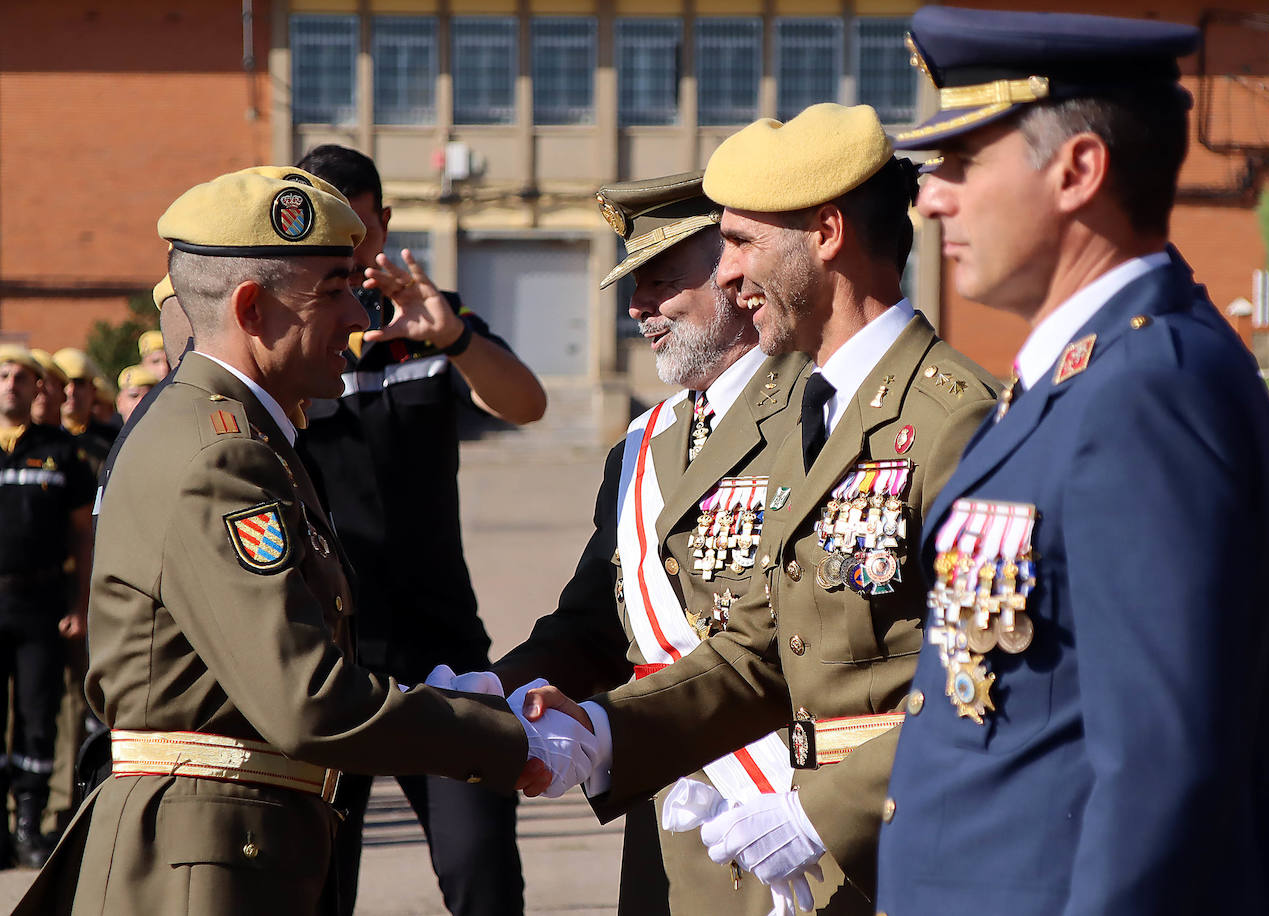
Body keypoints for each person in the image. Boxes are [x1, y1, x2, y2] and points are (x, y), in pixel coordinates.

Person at [874, 9, 1269, 914]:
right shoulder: (1080, 370)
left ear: (1079, 170)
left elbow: (1160, 774)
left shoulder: (1148, 390)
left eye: (962, 162)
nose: (931, 196)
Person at [13, 169, 592, 916]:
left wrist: (466, 694)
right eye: (333, 291)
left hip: (237, 842)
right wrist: (509, 739)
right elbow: (308, 701)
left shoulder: (245, 435)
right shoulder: (221, 455)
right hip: (205, 864)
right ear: (252, 309)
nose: (357, 313)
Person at [527, 103, 998, 911]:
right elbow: (759, 644)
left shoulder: (958, 418)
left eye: (742, 242)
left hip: (899, 848)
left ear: (826, 233)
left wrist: (820, 812)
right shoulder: (823, 410)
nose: (730, 274)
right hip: (796, 835)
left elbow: (994, 684)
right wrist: (605, 732)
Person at [485, 170, 812, 915]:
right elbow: (596, 624)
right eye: (633, 284)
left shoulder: (815, 410)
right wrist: (486, 696)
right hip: (669, 810)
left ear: (736, 274)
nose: (637, 308)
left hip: (785, 809)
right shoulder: (644, 441)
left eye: (661, 280)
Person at [293, 143, 547, 916]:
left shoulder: (437, 325)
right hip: (331, 663)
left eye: (358, 229)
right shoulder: (289, 337)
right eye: (325, 233)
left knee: (482, 872)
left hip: (443, 651)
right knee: (320, 885)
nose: (346, 249)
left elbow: (527, 404)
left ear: (384, 223)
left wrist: (453, 340)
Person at [0, 346, 95, 869]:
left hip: (40, 602)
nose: (12, 383)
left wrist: (80, 604)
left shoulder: (60, 451)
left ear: (38, 387)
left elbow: (84, 536)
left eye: (22, 376)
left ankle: (28, 826)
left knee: (38, 717)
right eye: (4, 374)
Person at [51, 348, 118, 468]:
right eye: (65, 383)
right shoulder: (37, 440)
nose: (71, 391)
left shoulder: (113, 440)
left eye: (79, 383)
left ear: (93, 390)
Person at [28, 350, 68, 428]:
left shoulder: (79, 440)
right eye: (34, 382)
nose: (40, 390)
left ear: (63, 394)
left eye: (47, 382)